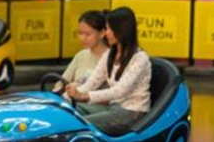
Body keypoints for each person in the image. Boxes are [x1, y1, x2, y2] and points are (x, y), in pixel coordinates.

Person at [65, 7, 151, 135]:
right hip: (114, 109)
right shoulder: (109, 54)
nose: (106, 34)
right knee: (67, 112)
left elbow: (119, 91)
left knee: (79, 124)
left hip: (132, 112)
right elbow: (91, 83)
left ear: (122, 30)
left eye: (109, 29)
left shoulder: (140, 58)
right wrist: (69, 96)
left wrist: (85, 96)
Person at [56, 10, 108, 91]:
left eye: (88, 34)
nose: (83, 38)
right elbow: (61, 82)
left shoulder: (111, 57)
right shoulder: (81, 55)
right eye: (80, 33)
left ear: (102, 33)